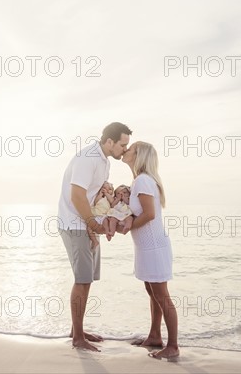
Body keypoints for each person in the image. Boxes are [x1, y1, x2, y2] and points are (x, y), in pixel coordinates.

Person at [58, 122, 132, 352]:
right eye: (122, 144)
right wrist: (91, 224)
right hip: (75, 223)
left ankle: (77, 329)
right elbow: (77, 196)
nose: (124, 149)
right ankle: (78, 338)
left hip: (87, 224)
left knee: (87, 278)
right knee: (82, 279)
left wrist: (95, 226)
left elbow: (94, 197)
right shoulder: (87, 158)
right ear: (109, 141)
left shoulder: (104, 162)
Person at [121, 141, 179, 359]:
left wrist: (127, 226)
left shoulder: (143, 180)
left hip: (154, 248)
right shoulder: (140, 180)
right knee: (153, 293)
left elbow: (149, 214)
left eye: (130, 149)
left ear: (139, 156)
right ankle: (155, 336)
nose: (125, 150)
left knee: (162, 296)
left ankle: (173, 346)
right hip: (147, 248)